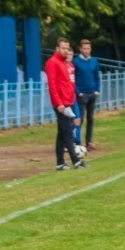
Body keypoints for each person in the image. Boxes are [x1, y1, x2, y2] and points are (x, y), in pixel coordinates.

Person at [45, 38, 85, 170]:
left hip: (69, 101)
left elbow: (67, 84)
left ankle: (60, 163)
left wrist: (71, 98)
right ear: (57, 48)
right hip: (62, 104)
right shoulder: (52, 62)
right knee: (67, 131)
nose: (65, 51)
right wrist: (59, 103)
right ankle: (76, 161)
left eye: (67, 48)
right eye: (63, 48)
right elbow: (53, 85)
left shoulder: (64, 63)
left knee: (62, 133)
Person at [73, 39, 101, 151]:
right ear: (80, 49)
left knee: (90, 118)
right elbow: (73, 79)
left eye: (88, 48)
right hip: (81, 95)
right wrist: (78, 92)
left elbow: (97, 77)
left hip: (92, 93)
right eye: (84, 48)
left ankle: (88, 142)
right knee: (80, 119)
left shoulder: (94, 62)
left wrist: (97, 90)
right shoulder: (75, 62)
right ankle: (77, 142)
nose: (86, 50)